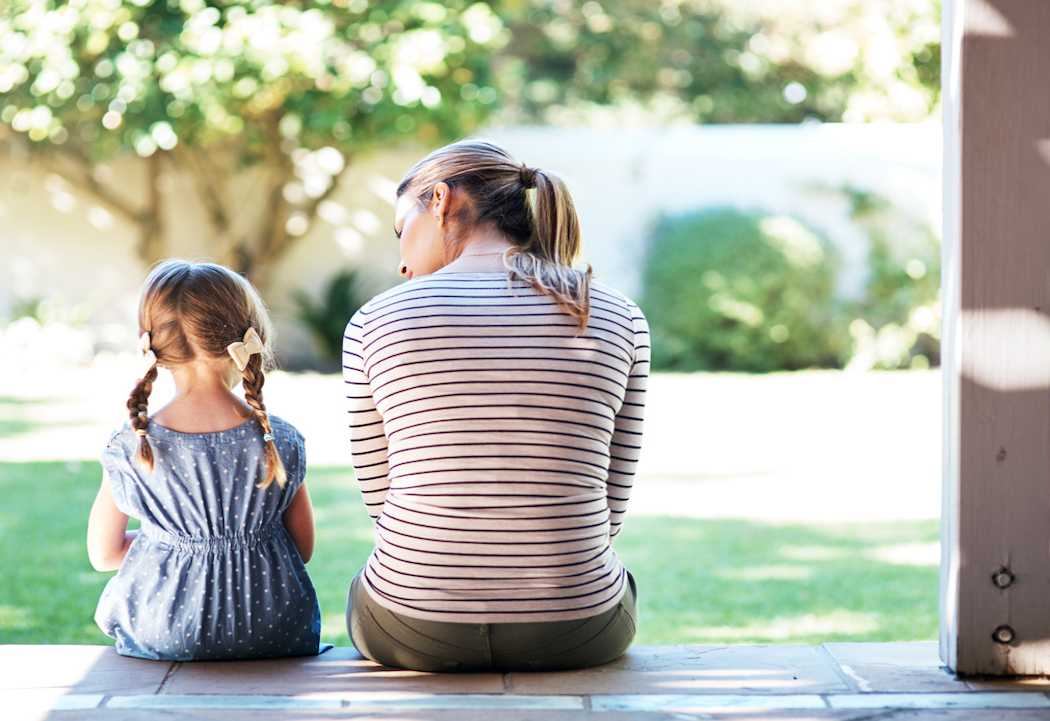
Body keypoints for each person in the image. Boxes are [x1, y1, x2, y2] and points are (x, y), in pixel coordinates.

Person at [342, 138, 650, 672]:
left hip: (412, 626)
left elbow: (381, 499)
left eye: (401, 231)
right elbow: (611, 504)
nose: (401, 261)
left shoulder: (374, 322)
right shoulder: (618, 316)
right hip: (577, 628)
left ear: (440, 200)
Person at [87, 259, 328, 661]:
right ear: (250, 337)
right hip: (274, 629)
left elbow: (104, 554)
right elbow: (302, 548)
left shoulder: (132, 444)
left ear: (154, 347)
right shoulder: (280, 439)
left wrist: (168, 542)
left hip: (163, 630)